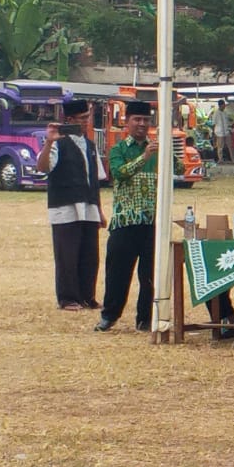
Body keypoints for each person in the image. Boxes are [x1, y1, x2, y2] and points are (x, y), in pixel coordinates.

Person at [97, 100, 159, 333]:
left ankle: (145, 319)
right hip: (125, 221)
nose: (142, 124)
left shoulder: (157, 150)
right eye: (137, 120)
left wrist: (167, 155)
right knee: (117, 272)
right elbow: (119, 174)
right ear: (127, 122)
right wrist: (143, 157)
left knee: (150, 275)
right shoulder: (118, 150)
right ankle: (109, 315)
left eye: (146, 120)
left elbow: (179, 169)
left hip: (152, 222)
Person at [37, 98, 104, 311]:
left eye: (87, 118)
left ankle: (87, 295)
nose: (85, 122)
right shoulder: (58, 144)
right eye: (81, 119)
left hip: (89, 205)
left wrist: (100, 211)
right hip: (65, 206)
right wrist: (49, 142)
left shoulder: (90, 145)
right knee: (67, 254)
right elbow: (43, 167)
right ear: (70, 120)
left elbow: (94, 179)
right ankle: (67, 297)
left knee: (89, 255)